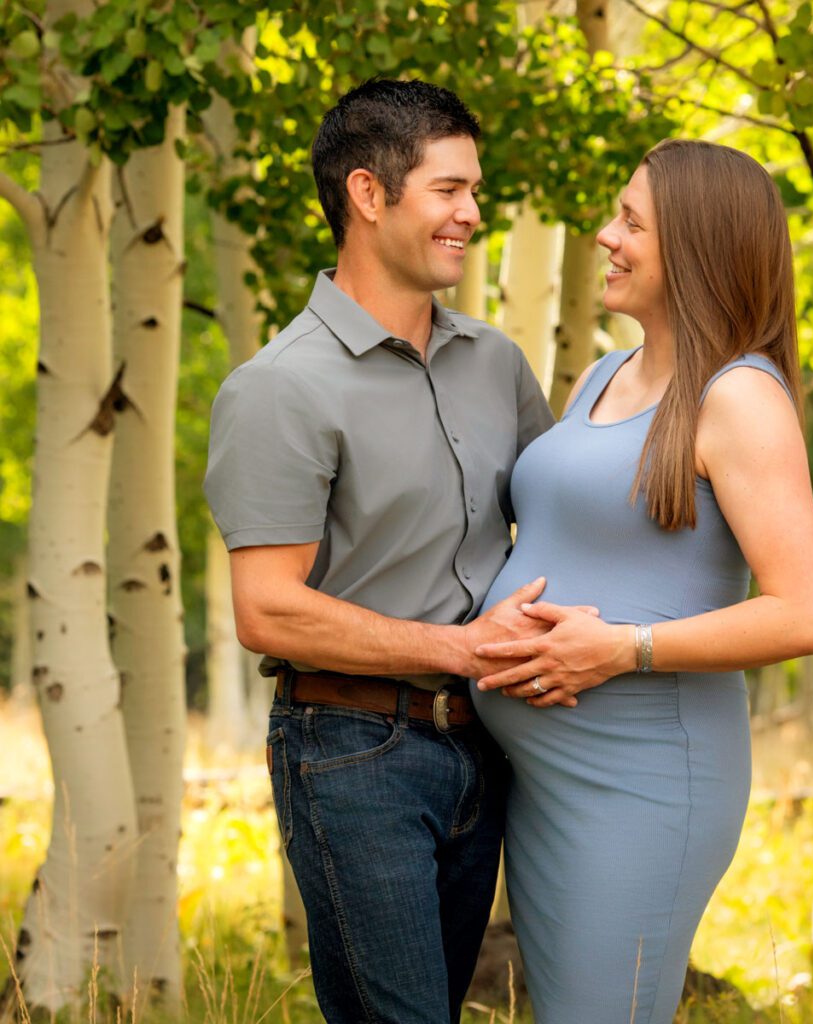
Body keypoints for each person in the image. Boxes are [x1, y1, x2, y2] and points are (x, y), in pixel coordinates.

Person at [203, 79, 559, 1024]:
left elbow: (558, 523)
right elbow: (266, 609)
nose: (472, 214)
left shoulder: (498, 363)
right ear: (369, 194)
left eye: (473, 190)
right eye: (449, 190)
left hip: (488, 749)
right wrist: (461, 650)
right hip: (353, 752)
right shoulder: (278, 389)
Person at [470, 139, 813, 1024]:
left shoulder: (739, 398)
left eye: (632, 222)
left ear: (699, 248)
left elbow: (806, 613)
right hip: (546, 781)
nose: (605, 236)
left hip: (641, 781)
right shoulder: (605, 375)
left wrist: (622, 648)